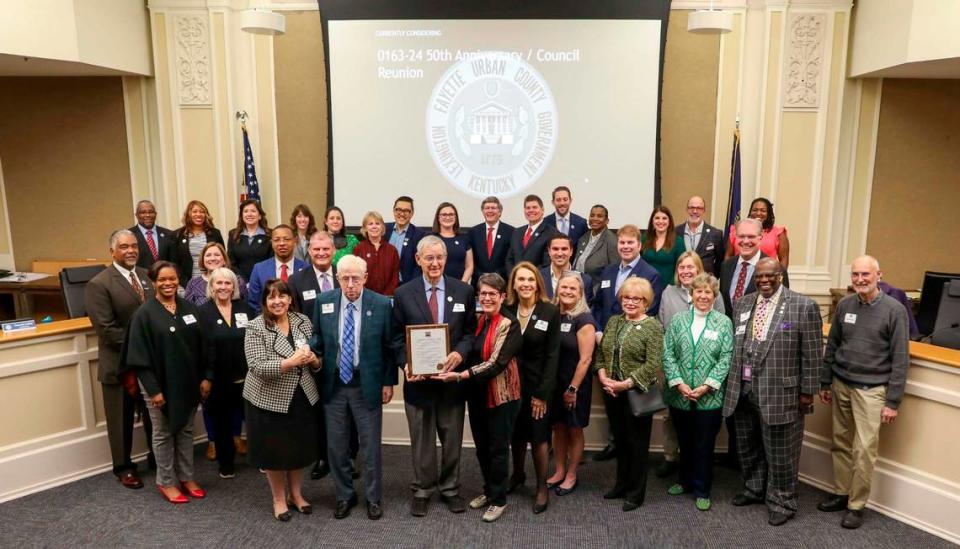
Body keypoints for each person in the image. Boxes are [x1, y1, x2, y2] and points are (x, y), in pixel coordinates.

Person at [722, 258, 822, 526]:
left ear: (781, 275)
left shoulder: (803, 306)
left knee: (781, 452)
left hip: (782, 391)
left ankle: (782, 501)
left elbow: (812, 354)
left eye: (770, 276)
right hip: (743, 389)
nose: (764, 281)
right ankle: (754, 488)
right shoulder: (743, 303)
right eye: (759, 277)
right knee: (747, 443)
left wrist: (808, 392)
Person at [817, 256, 910, 529]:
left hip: (872, 391)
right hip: (841, 384)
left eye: (865, 274)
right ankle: (840, 493)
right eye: (855, 274)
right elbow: (832, 345)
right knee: (840, 443)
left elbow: (900, 359)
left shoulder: (894, 310)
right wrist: (825, 382)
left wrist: (893, 401)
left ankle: (856, 505)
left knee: (863, 450)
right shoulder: (845, 304)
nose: (859, 279)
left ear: (878, 275)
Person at [392, 235, 476, 517]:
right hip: (418, 384)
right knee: (421, 439)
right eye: (429, 258)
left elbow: (469, 333)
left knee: (452, 438)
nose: (435, 263)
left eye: (439, 257)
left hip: (451, 382)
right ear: (418, 260)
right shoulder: (404, 293)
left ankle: (450, 488)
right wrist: (406, 364)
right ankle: (422, 489)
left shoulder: (463, 290)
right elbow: (395, 338)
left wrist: (460, 355)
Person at [311, 255, 397, 520]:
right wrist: (310, 353)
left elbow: (390, 346)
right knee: (336, 446)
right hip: (333, 384)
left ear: (365, 278)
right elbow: (317, 339)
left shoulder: (382, 304)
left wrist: (388, 381)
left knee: (370, 447)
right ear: (337, 279)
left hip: (366, 383)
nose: (350, 284)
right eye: (345, 278)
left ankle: (373, 498)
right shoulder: (323, 302)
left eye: (355, 278)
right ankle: (344, 495)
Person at [435, 273, 522, 523]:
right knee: (482, 448)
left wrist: (460, 376)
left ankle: (499, 500)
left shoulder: (509, 324)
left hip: (502, 397)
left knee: (497, 449)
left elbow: (496, 364)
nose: (487, 298)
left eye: (492, 294)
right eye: (483, 294)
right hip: (478, 395)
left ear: (503, 296)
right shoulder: (479, 320)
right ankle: (489, 490)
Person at [124, 260, 209, 504]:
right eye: (162, 279)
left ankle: (187, 477)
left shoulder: (190, 309)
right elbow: (138, 359)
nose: (168, 283)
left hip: (188, 382)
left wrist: (205, 377)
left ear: (178, 280)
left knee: (186, 430)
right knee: (162, 433)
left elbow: (203, 348)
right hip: (157, 385)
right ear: (153, 282)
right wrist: (153, 390)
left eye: (172, 278)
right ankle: (166, 481)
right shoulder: (144, 314)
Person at [243, 278, 321, 521]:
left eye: (282, 296)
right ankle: (278, 499)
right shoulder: (256, 327)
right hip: (268, 399)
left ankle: (296, 495)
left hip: (301, 396)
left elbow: (317, 355)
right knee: (275, 453)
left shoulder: (303, 321)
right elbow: (256, 366)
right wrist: (290, 363)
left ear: (290, 299)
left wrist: (315, 361)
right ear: (265, 301)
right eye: (271, 297)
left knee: (297, 449)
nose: (277, 301)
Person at [84, 229, 155, 490]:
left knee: (153, 415)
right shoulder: (99, 284)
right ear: (112, 251)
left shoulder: (148, 276)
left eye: (134, 246)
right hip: (119, 365)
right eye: (124, 247)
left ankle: (156, 459)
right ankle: (123, 468)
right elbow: (106, 330)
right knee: (120, 419)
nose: (131, 251)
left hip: (149, 365)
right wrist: (146, 343)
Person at [662, 273, 733, 511]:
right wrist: (678, 382)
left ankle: (702, 489)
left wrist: (707, 386)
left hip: (709, 397)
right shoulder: (678, 320)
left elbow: (726, 358)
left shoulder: (723, 322)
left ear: (714, 297)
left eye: (708, 292)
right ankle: (684, 480)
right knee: (684, 440)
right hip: (679, 394)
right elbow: (668, 353)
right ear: (691, 295)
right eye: (699, 291)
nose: (703, 296)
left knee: (704, 444)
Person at [593, 276, 663, 512]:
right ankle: (621, 485)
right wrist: (603, 376)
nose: (630, 302)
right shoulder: (613, 321)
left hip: (637, 393)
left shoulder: (653, 326)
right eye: (626, 297)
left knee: (636, 445)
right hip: (612, 392)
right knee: (620, 442)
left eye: (637, 298)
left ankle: (636, 493)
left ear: (647, 302)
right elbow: (601, 353)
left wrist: (625, 384)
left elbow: (653, 363)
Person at [656, 251, 725, 477]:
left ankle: (699, 470)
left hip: (707, 376)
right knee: (672, 418)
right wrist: (676, 376)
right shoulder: (668, 293)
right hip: (675, 371)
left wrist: (707, 382)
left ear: (699, 270)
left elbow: (722, 332)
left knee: (702, 430)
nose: (686, 271)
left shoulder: (715, 295)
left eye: (690, 267)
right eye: (681, 267)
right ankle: (671, 458)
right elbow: (663, 328)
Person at [503, 262, 560, 514]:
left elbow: (552, 356)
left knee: (538, 437)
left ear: (538, 283)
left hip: (538, 386)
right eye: (520, 279)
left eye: (530, 279)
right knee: (515, 433)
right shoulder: (507, 310)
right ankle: (517, 475)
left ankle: (541, 487)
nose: (525, 284)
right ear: (514, 284)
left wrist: (542, 394)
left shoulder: (549, 312)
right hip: (511, 386)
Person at [184, 241, 248, 460]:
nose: (223, 286)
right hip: (214, 369)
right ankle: (215, 442)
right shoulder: (196, 291)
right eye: (208, 255)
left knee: (241, 407)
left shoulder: (241, 299)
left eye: (217, 255)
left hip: (241, 368)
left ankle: (236, 437)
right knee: (216, 410)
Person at [198, 267, 254, 479]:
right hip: (217, 379)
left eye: (227, 283)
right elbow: (201, 348)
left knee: (253, 420)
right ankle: (226, 462)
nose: (223, 287)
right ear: (211, 286)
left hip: (247, 376)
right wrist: (205, 377)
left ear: (234, 286)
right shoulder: (202, 312)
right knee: (221, 421)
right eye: (218, 283)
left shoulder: (245, 308)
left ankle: (261, 458)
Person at [545, 272, 596, 497]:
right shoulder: (552, 314)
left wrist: (572, 389)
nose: (567, 292)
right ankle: (559, 471)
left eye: (572, 289)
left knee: (574, 429)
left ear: (580, 293)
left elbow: (586, 359)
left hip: (575, 385)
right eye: (563, 287)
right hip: (554, 384)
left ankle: (572, 474)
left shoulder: (584, 319)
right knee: (558, 427)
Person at [594, 224, 664, 330]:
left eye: (630, 242)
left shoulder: (651, 275)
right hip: (603, 336)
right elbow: (598, 305)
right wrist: (598, 331)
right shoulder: (608, 271)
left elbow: (649, 312)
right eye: (622, 242)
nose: (625, 246)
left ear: (639, 246)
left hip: (631, 338)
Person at [719, 218, 790, 318]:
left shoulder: (776, 269)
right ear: (735, 237)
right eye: (741, 236)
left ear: (760, 238)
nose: (746, 241)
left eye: (751, 236)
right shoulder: (726, 266)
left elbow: (783, 306)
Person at [247, 224, 307, 314]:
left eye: (286, 239)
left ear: (295, 241)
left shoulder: (306, 268)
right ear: (271, 242)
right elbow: (253, 304)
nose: (282, 243)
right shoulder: (259, 269)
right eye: (276, 240)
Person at [726, 197, 790, 269]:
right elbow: (728, 256)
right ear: (750, 212)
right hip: (741, 275)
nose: (758, 213)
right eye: (755, 210)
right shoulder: (736, 231)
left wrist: (780, 278)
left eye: (763, 210)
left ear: (769, 213)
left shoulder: (778, 233)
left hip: (766, 277)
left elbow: (783, 259)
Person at [172, 199, 224, 287]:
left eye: (202, 212)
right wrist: (184, 283)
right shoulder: (178, 234)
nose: (198, 214)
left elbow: (222, 258)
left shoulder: (215, 233)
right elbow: (174, 262)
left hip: (213, 280)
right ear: (189, 214)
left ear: (206, 215)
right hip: (187, 282)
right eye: (194, 211)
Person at [289, 231, 339, 320]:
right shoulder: (296, 280)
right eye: (317, 249)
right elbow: (294, 317)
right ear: (309, 251)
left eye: (326, 249)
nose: (321, 253)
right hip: (309, 333)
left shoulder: (344, 276)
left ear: (334, 250)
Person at [505, 194, 559, 273]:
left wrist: (528, 276)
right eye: (528, 208)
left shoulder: (552, 233)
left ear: (542, 210)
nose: (531, 210)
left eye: (534, 207)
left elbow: (547, 263)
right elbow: (509, 259)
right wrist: (514, 276)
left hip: (537, 281)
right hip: (516, 281)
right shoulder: (517, 232)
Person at [467, 196, 515, 285]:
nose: (490, 211)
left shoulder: (511, 232)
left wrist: (495, 275)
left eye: (493, 208)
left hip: (502, 283)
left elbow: (511, 259)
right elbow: (470, 259)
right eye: (487, 208)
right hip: (478, 283)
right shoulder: (473, 232)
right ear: (482, 211)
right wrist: (482, 275)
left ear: (500, 212)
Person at [573, 204, 619, 295]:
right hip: (577, 291)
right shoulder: (584, 237)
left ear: (607, 221)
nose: (595, 218)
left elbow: (614, 272)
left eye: (599, 216)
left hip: (597, 294)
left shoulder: (612, 241)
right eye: (592, 215)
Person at [184, 242, 248, 306]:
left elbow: (245, 306)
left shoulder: (237, 281)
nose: (213, 258)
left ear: (224, 260)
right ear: (203, 260)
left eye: (217, 255)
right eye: (208, 255)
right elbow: (187, 309)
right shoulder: (193, 283)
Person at [353, 211, 400, 296]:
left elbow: (395, 277)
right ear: (365, 228)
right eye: (370, 224)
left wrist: (385, 296)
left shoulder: (392, 250)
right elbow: (355, 275)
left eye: (377, 223)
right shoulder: (359, 249)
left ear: (382, 227)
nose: (374, 226)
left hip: (387, 298)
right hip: (364, 297)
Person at [540, 234, 594, 306]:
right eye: (555, 249)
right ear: (549, 251)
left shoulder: (585, 280)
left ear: (571, 251)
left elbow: (587, 310)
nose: (559, 253)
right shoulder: (538, 277)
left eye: (564, 249)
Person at [676, 196, 725, 276]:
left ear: (704, 210)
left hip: (704, 284)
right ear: (687, 209)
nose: (695, 211)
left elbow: (720, 262)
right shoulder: (676, 232)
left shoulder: (716, 234)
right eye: (692, 207)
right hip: (682, 281)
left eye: (699, 208)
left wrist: (710, 278)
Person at [640, 205, 686, 288]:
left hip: (669, 289)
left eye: (664, 218)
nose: (660, 221)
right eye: (657, 218)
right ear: (652, 221)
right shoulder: (643, 239)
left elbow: (681, 267)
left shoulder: (678, 242)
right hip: (645, 288)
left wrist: (670, 287)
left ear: (669, 221)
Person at [228, 199, 272, 281]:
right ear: (242, 215)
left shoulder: (270, 235)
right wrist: (243, 281)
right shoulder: (233, 234)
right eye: (246, 211)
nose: (249, 214)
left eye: (253, 211)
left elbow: (271, 262)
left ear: (260, 216)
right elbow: (231, 262)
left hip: (264, 281)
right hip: (240, 283)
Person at [385, 195, 425, 283]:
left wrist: (411, 287)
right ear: (393, 211)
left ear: (412, 213)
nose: (402, 214)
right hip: (384, 285)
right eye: (398, 210)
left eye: (406, 211)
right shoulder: (383, 230)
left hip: (406, 285)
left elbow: (419, 265)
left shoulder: (418, 235)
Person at [431, 202, 473, 283]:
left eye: (451, 214)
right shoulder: (430, 238)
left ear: (455, 217)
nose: (447, 217)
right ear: (438, 217)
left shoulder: (464, 238)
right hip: (434, 285)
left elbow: (469, 266)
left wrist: (461, 284)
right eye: (444, 215)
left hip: (459, 285)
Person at [130, 200, 174, 269]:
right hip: (140, 278)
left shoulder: (169, 234)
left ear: (155, 214)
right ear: (136, 215)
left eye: (151, 212)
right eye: (143, 212)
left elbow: (173, 261)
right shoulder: (129, 235)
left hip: (164, 278)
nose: (147, 215)